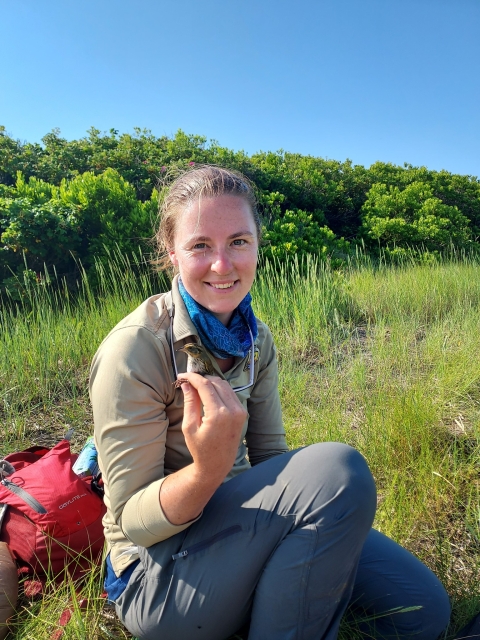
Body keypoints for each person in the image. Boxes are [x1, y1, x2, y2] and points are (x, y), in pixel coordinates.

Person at [90, 166, 451, 640]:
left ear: (258, 244)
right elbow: (134, 522)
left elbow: (271, 459)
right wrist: (206, 471)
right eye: (200, 245)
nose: (223, 264)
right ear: (171, 253)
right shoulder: (136, 348)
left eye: (238, 241)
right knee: (339, 469)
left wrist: (309, 528)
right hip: (157, 582)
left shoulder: (255, 338)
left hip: (240, 528)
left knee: (422, 612)